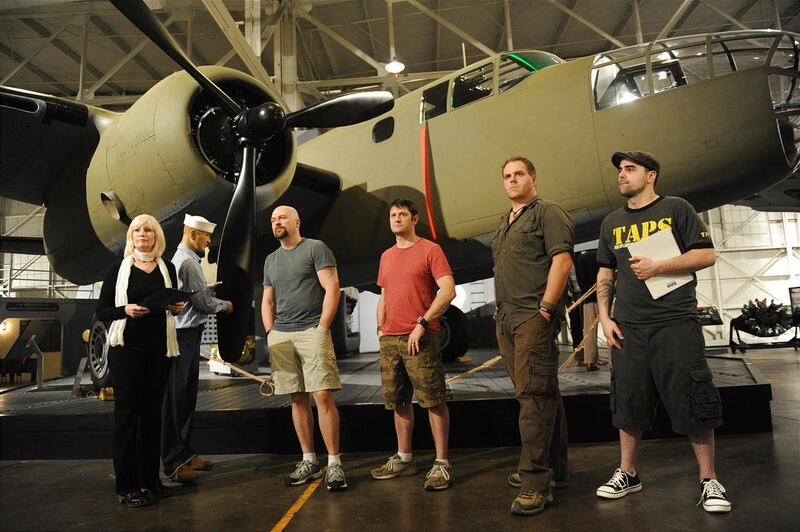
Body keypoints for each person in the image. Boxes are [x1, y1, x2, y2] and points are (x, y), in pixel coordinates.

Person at [594, 151, 731, 513]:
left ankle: (709, 479)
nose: (621, 175)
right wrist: (605, 319)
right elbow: (605, 274)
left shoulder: (676, 208)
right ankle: (628, 472)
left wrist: (660, 265)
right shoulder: (611, 222)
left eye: (630, 169)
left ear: (650, 175)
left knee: (693, 399)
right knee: (628, 401)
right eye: (620, 170)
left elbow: (706, 255)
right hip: (629, 328)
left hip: (675, 323)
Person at [492, 156, 574, 516]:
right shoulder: (505, 222)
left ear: (533, 178)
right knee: (542, 392)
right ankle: (555, 467)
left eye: (518, 174)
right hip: (507, 319)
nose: (512, 180)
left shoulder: (548, 212)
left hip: (532, 317)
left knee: (533, 396)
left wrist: (545, 308)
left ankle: (535, 481)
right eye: (507, 176)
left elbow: (562, 260)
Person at [96, 214, 185, 508]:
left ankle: (151, 480)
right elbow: (103, 311)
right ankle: (127, 485)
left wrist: (176, 306)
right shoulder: (117, 269)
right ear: (130, 237)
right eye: (137, 230)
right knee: (127, 418)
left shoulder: (167, 267)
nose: (142, 233)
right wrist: (125, 310)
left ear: (156, 235)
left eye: (148, 229)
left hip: (159, 350)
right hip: (128, 349)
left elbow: (172, 307)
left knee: (151, 417)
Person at [370, 199, 457, 491]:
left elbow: (448, 290)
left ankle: (442, 463)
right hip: (390, 339)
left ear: (414, 218)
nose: (396, 219)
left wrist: (422, 323)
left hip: (421, 337)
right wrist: (380, 329)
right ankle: (404, 456)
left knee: (432, 400)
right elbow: (384, 294)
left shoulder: (430, 250)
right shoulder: (385, 256)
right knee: (398, 401)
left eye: (402, 214)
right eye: (393, 215)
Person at [260, 205, 347, 491]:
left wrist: (322, 327)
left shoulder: (315, 248)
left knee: (321, 395)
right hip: (282, 336)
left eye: (282, 218)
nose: (277, 222)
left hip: (312, 330)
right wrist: (270, 332)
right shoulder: (271, 260)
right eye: (273, 220)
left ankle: (334, 463)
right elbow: (268, 300)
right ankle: (309, 460)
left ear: (297, 221)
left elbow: (332, 288)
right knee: (297, 398)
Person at [162, 214, 233, 483]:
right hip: (184, 337)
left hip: (187, 336)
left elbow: (194, 294)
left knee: (186, 398)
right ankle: (174, 463)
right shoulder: (190, 264)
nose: (209, 241)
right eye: (206, 236)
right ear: (192, 235)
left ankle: (186, 454)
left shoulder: (184, 260)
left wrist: (206, 289)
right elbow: (203, 305)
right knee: (179, 400)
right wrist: (226, 305)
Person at [575, 250, 600, 371]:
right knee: (610, 328)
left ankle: (590, 361)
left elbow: (579, 280)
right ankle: (614, 361)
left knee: (589, 331)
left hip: (587, 298)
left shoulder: (580, 259)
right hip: (604, 296)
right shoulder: (599, 256)